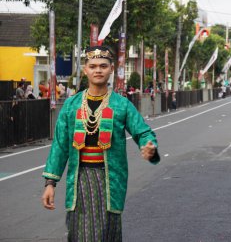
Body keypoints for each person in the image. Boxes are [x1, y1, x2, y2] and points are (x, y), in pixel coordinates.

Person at [41, 46, 160, 241]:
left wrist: (149, 146)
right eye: (93, 66)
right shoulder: (71, 105)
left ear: (111, 69)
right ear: (85, 70)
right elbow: (60, 147)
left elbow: (143, 131)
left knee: (107, 231)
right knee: (80, 231)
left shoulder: (121, 105)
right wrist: (50, 183)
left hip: (110, 180)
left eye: (103, 66)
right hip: (79, 180)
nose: (98, 70)